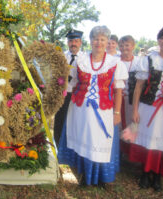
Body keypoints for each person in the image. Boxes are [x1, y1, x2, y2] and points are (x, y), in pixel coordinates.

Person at [57, 26, 128, 187]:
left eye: (102, 39)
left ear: (107, 42)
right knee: (84, 141)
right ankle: (85, 176)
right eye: (96, 39)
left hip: (104, 111)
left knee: (101, 143)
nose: (99, 42)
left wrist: (117, 112)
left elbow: (118, 90)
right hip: (80, 109)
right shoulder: (81, 61)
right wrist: (57, 94)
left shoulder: (115, 63)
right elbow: (72, 83)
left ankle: (101, 178)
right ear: (90, 41)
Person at [129, 24, 163, 192]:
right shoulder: (149, 60)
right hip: (149, 107)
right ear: (158, 40)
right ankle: (145, 173)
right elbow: (138, 87)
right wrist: (135, 110)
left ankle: (157, 175)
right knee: (148, 141)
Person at [53, 29, 83, 148]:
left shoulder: (85, 58)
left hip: (77, 96)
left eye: (76, 41)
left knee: (75, 122)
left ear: (80, 42)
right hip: (63, 95)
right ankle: (57, 146)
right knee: (60, 121)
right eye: (71, 41)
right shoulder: (61, 57)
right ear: (67, 42)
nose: (73, 43)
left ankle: (73, 148)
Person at [118, 35, 141, 153]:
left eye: (127, 45)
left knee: (131, 124)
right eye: (121, 45)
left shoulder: (138, 62)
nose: (124, 48)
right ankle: (118, 151)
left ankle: (129, 152)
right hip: (117, 99)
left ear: (133, 46)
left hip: (131, 99)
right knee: (118, 124)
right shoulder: (115, 60)